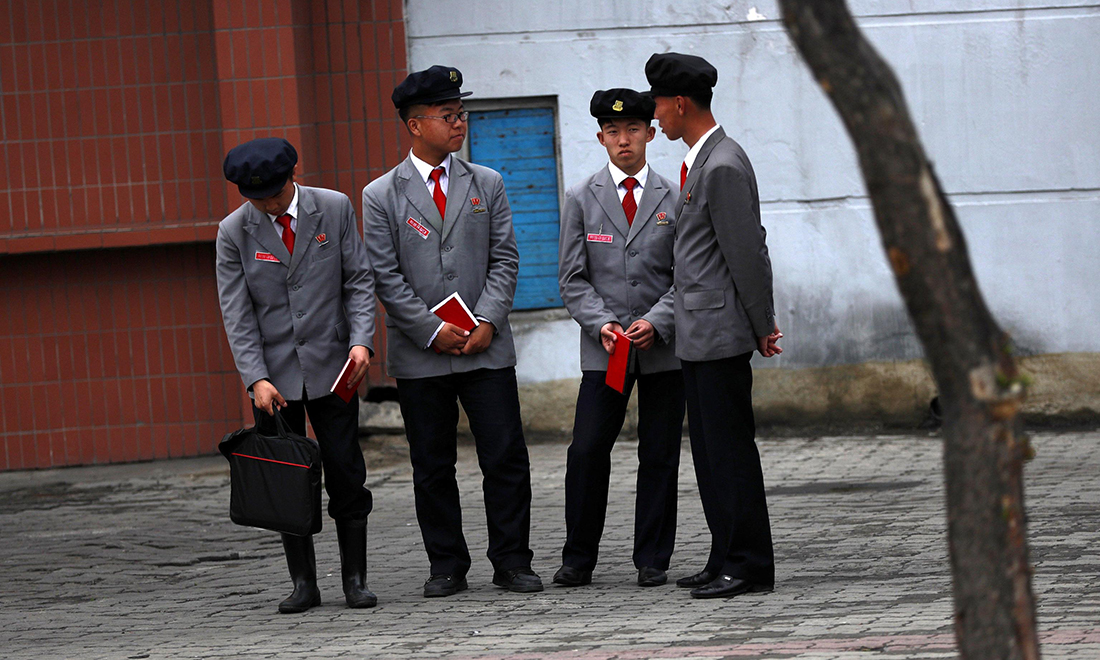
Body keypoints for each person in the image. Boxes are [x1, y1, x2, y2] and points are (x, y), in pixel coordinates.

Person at [361, 66, 542, 597]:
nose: (459, 123)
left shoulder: (487, 182)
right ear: (416, 126)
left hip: (486, 349)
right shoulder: (380, 195)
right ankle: (446, 564)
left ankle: (512, 560)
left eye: (461, 114)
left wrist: (487, 320)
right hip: (423, 355)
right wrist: (429, 329)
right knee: (432, 464)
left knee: (505, 456)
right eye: (448, 115)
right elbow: (384, 274)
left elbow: (506, 258)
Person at [215, 137, 378, 613]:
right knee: (286, 477)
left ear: (292, 176)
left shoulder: (333, 207)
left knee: (347, 471)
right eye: (256, 197)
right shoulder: (233, 231)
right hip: (273, 378)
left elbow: (358, 280)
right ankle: (304, 584)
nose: (268, 203)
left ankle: (355, 580)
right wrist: (254, 377)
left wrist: (361, 341)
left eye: (275, 193)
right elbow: (237, 311)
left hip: (335, 366)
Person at [645, 52, 784, 599]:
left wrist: (762, 323)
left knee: (729, 451)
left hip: (721, 332)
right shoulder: (701, 161)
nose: (655, 116)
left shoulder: (722, 164)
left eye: (658, 104)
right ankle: (724, 553)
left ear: (679, 103)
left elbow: (747, 251)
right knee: (708, 451)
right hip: (699, 333)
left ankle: (749, 563)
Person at [553, 88, 684, 589]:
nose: (623, 140)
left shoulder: (674, 197)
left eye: (632, 130)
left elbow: (686, 276)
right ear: (601, 138)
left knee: (658, 453)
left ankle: (652, 558)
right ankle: (578, 558)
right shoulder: (582, 197)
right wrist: (600, 322)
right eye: (613, 132)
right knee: (587, 449)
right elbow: (571, 277)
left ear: (650, 133)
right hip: (605, 350)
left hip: (663, 350)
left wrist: (658, 320)